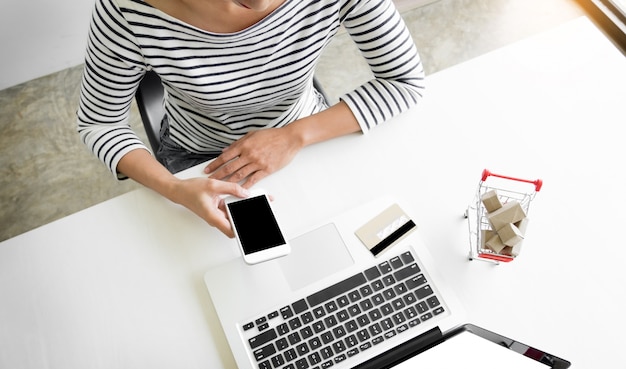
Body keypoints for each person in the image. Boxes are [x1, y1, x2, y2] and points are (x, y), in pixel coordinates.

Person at [77, 0, 425, 237]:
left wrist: (292, 136)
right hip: (200, 159)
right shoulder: (126, 11)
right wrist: (175, 188)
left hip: (308, 135)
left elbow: (403, 82)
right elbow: (99, 122)